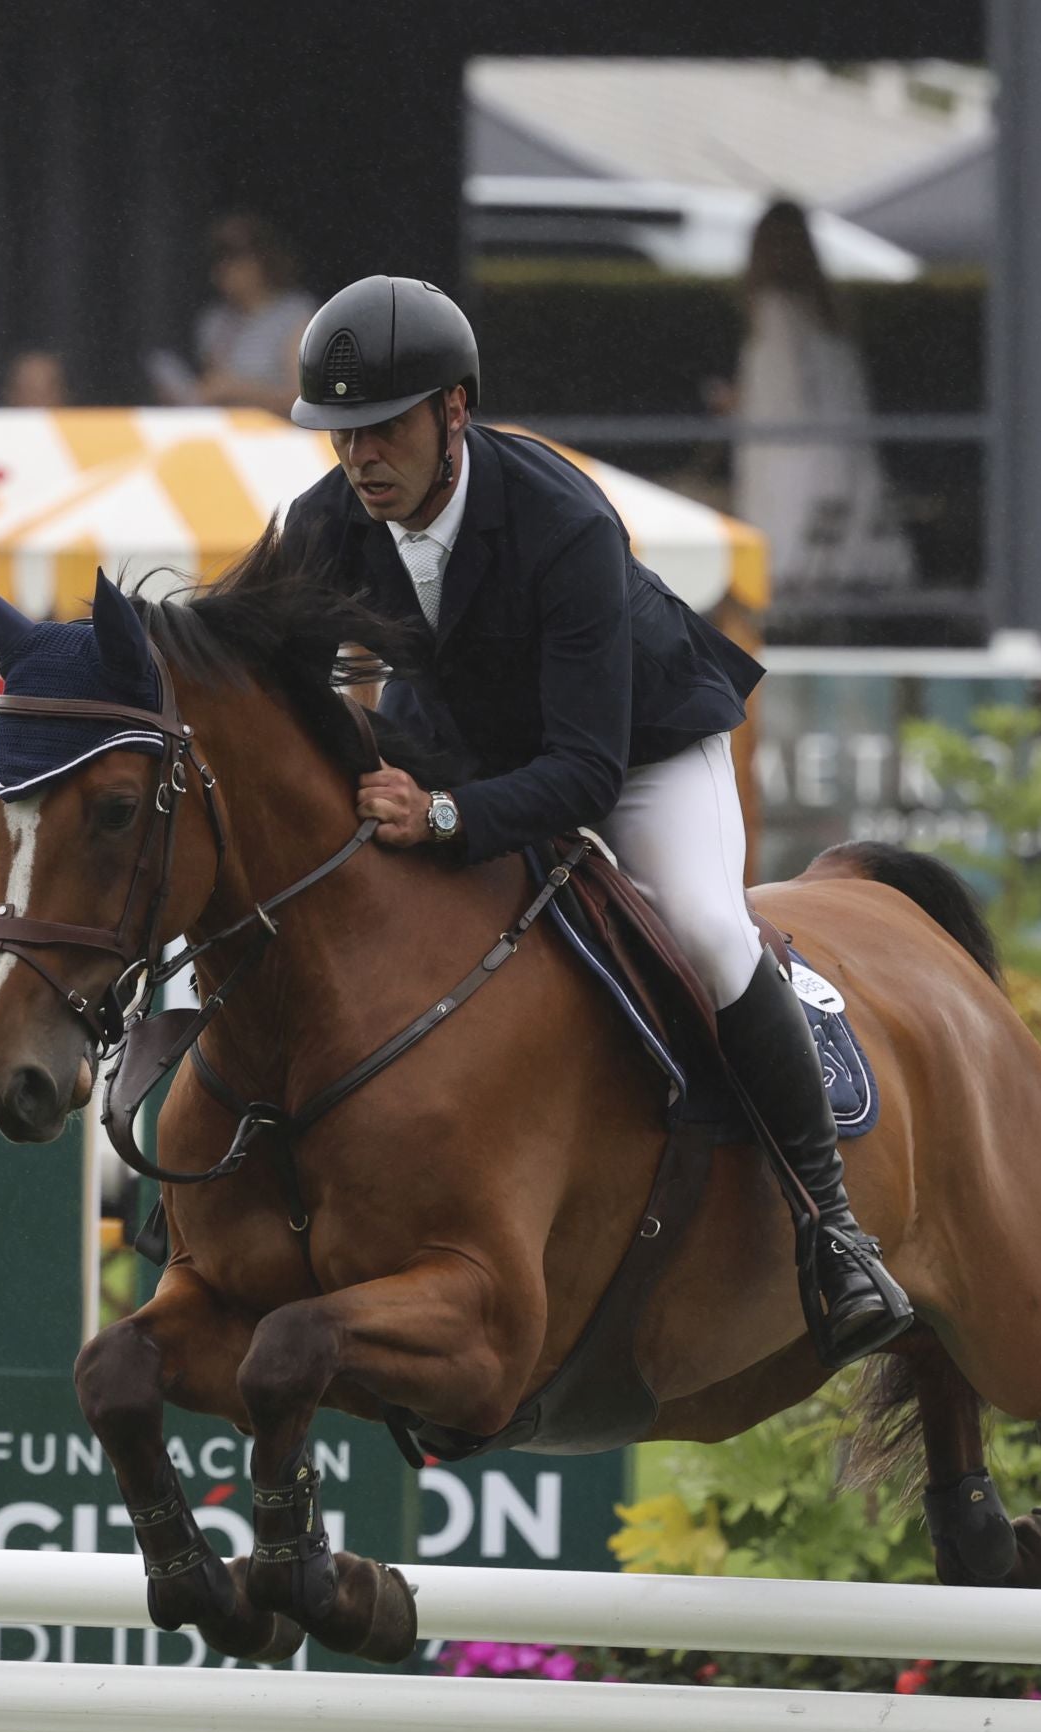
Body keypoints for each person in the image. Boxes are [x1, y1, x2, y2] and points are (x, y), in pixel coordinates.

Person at [283, 274, 912, 1370]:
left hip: (634, 749)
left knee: (710, 932)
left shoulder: (562, 519)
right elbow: (280, 689)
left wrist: (438, 815)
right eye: (342, 435)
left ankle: (831, 1230)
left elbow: (579, 774)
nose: (361, 458)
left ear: (454, 410)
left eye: (384, 428)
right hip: (457, 745)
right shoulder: (325, 522)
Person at [719, 200, 915, 596]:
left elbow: (783, 398)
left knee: (789, 571)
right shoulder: (829, 309)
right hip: (843, 455)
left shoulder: (774, 309)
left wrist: (739, 404)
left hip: (787, 463)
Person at [152, 213, 314, 416]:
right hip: (225, 433)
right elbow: (211, 391)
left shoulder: (295, 314)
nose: (226, 270)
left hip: (278, 435)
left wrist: (241, 389)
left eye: (236, 259)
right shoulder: (214, 321)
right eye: (219, 260)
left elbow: (307, 400)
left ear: (262, 260)